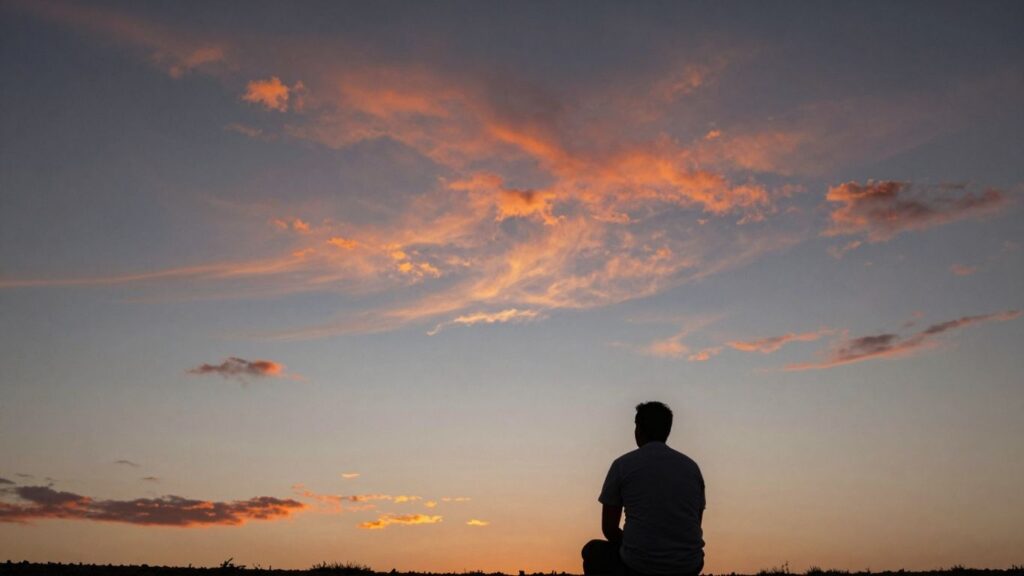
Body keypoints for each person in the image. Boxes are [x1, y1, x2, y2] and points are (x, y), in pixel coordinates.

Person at [582, 402, 705, 576]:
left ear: (638, 429)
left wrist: (638, 545)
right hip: (688, 565)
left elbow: (609, 529)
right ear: (668, 431)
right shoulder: (692, 468)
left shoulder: (622, 465)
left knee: (592, 551)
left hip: (638, 565)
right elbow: (695, 523)